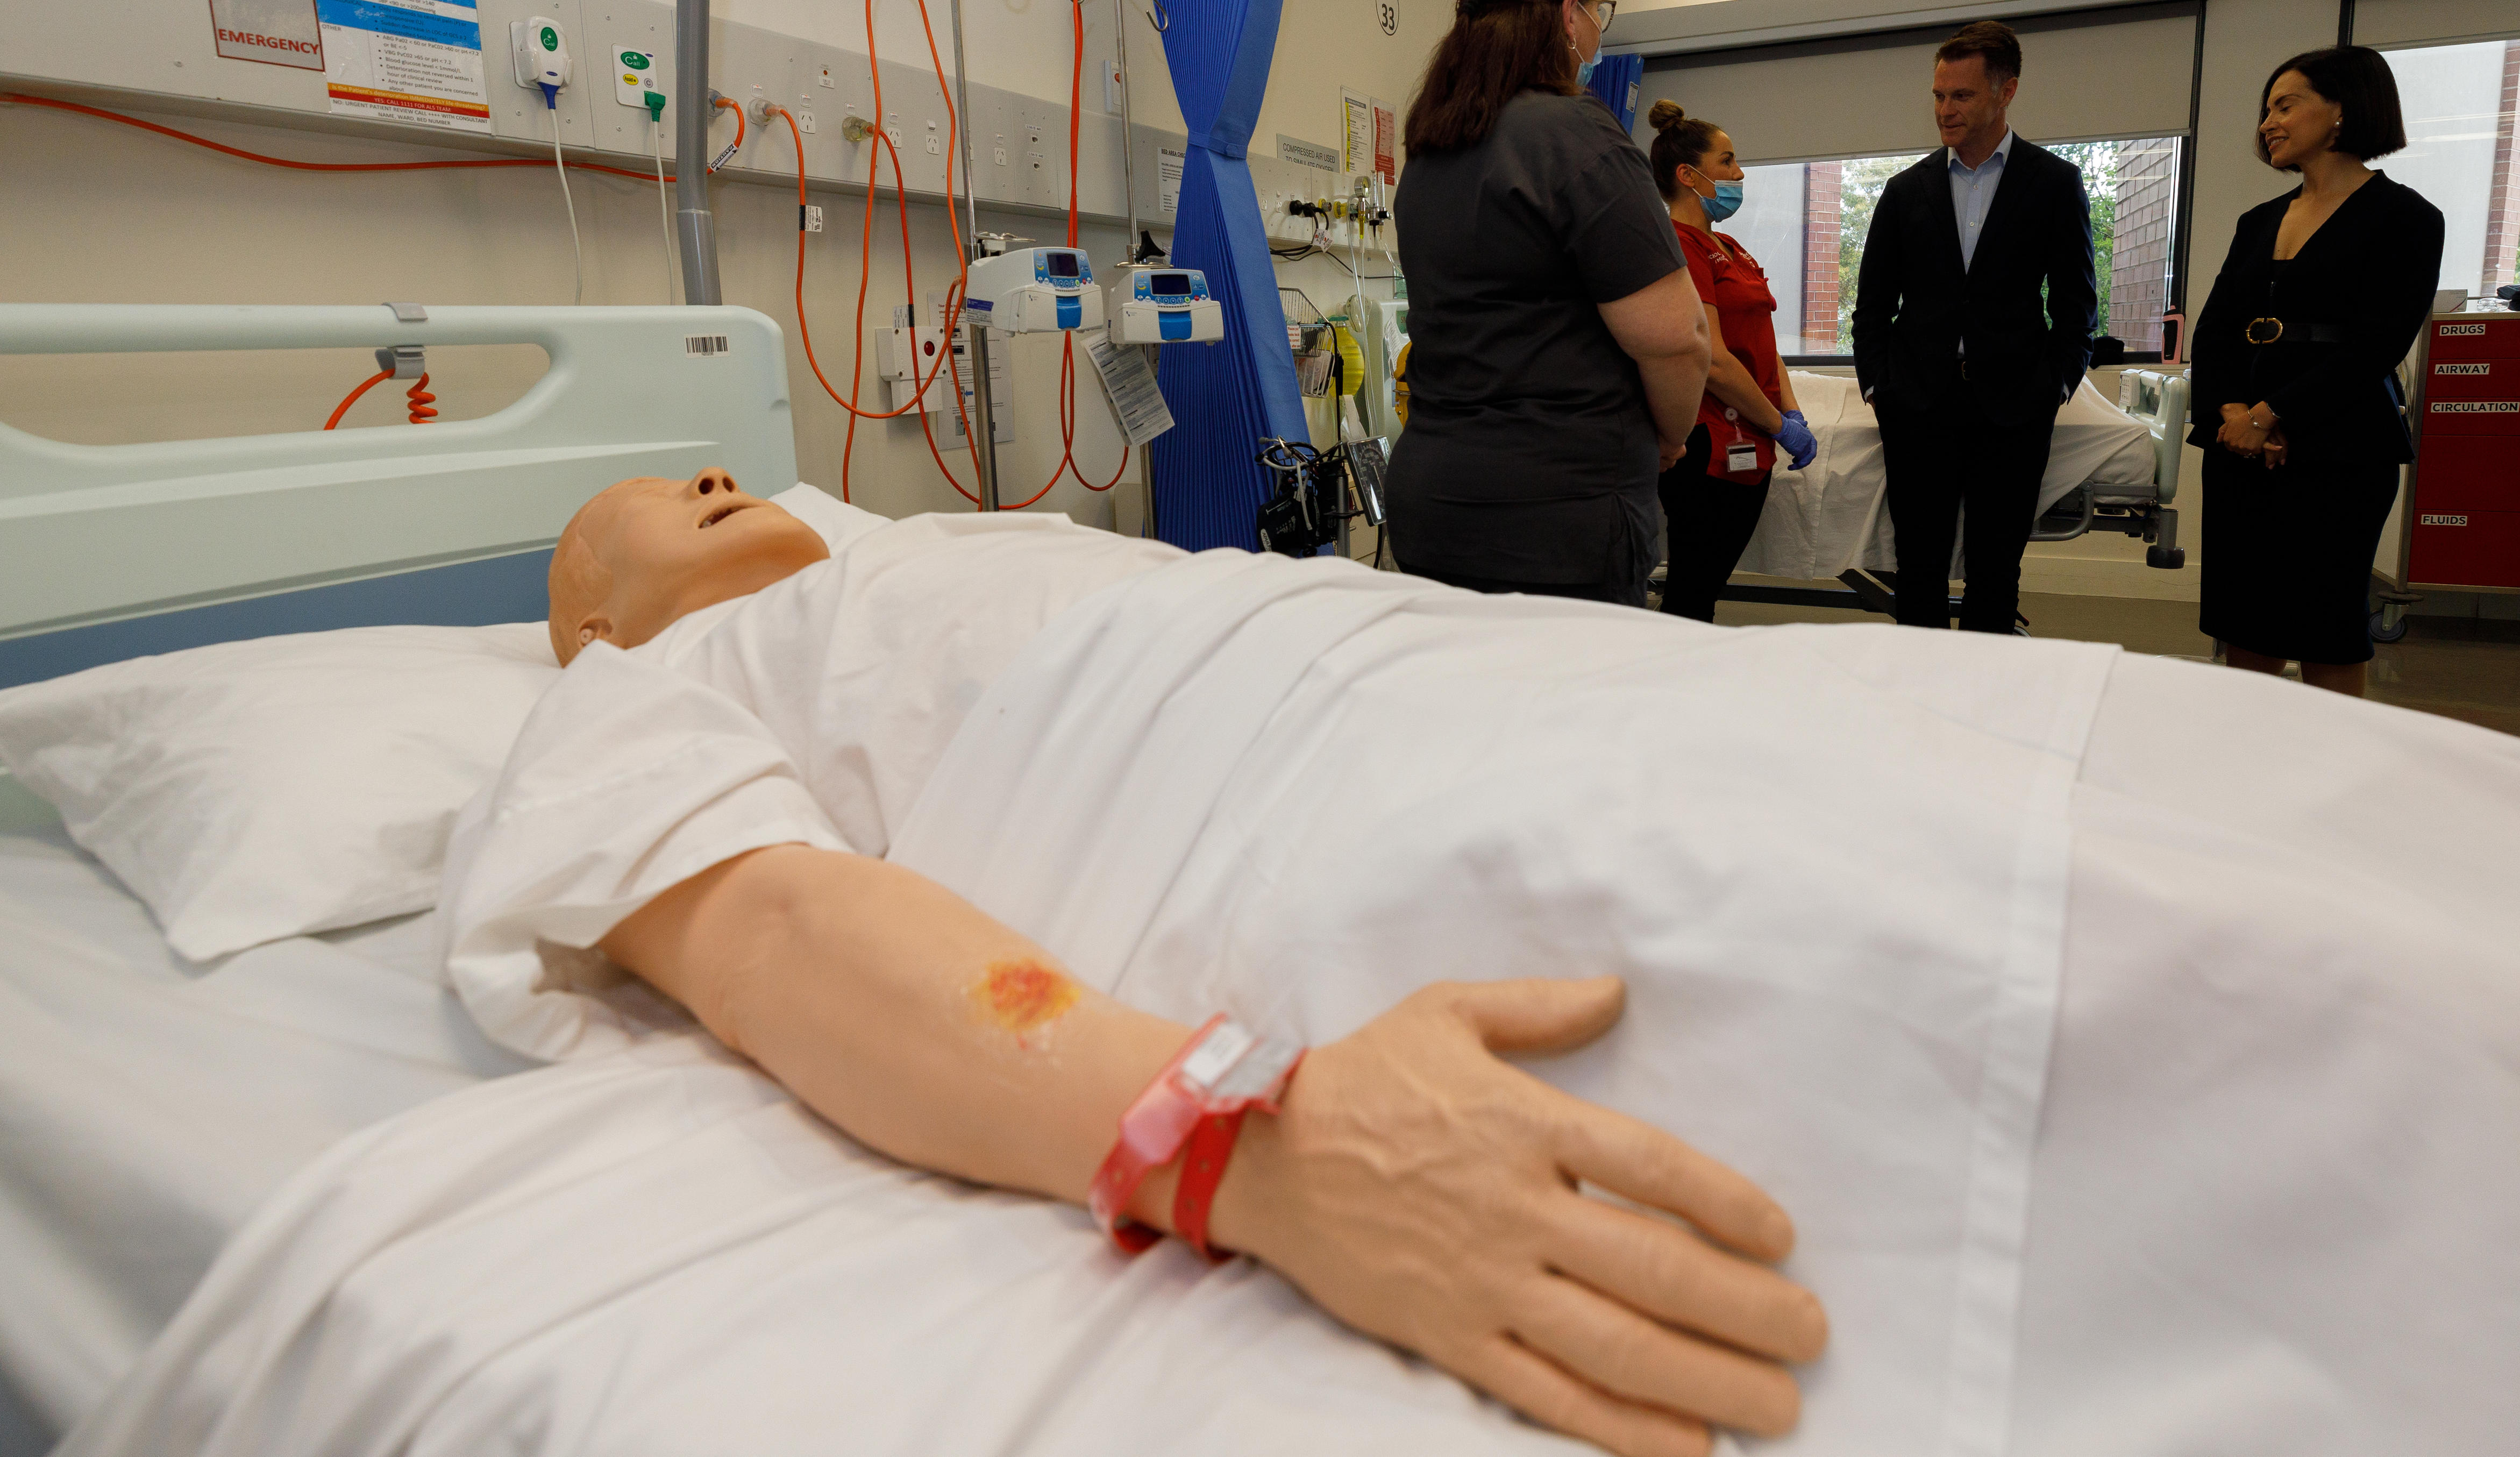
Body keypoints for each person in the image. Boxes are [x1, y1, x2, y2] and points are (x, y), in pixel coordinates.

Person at [510, 468, 1824, 1457]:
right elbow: (773, 934)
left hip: (1438, 655)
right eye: (649, 501)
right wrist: (1245, 1134)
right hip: (1273, 777)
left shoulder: (933, 541)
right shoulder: (634, 690)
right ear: (593, 627)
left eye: (715, 472)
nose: (714, 478)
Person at [1386, 0, 1711, 607]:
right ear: (1570, 13)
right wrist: (1671, 438)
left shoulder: (1429, 156)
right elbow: (1679, 339)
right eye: (1599, 11)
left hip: (1433, 503)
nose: (1598, 29)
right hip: (1555, 520)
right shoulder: (1576, 136)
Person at [2187, 46, 2440, 696]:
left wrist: (2273, 416)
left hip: (2340, 449)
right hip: (2237, 444)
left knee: (2326, 622)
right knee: (2245, 621)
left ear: (2340, 112)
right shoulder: (2257, 222)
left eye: (2284, 104)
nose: (2268, 122)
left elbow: (2377, 345)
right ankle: (2250, 760)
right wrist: (2231, 416)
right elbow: (2214, 332)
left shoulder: (2406, 218)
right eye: (2265, 109)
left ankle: (2330, 774)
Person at [1850, 21, 2096, 634]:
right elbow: (1872, 304)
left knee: (1995, 573)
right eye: (1937, 96)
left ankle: (1986, 709)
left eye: (1960, 96)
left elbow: (2075, 304)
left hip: (2014, 407)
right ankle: (1919, 704)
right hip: (1916, 405)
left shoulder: (2052, 183)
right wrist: (1877, 386)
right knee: (1919, 571)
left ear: (2004, 91)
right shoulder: (1904, 191)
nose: (1944, 110)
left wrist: (2056, 386)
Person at [1643, 99, 1817, 621]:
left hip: (1754, 437)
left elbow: (1762, 339)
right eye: (1727, 161)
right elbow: (1713, 360)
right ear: (1687, 175)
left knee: (1704, 590)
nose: (1739, 173)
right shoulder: (1676, 248)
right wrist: (1777, 425)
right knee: (1692, 596)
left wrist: (1790, 413)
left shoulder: (1731, 249)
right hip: (1706, 445)